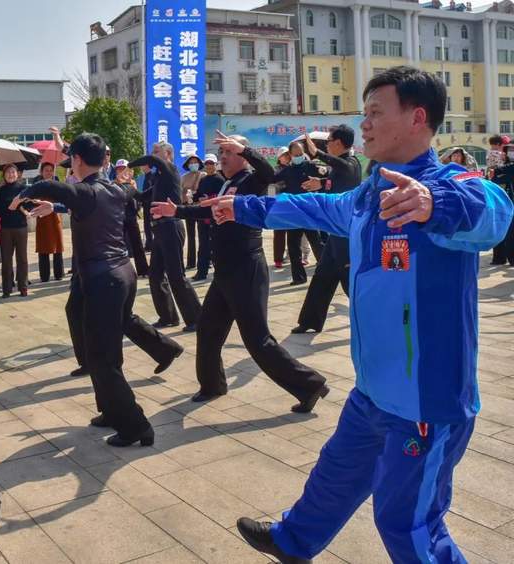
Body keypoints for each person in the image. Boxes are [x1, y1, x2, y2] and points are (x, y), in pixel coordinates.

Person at [203, 67, 514, 564]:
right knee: (336, 473)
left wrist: (434, 203)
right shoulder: (368, 195)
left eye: (374, 112)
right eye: (363, 113)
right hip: (373, 390)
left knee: (407, 520)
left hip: (425, 402)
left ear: (417, 118)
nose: (363, 124)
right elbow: (317, 207)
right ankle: (293, 541)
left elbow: (494, 211)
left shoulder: (447, 184)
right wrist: (245, 209)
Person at [12, 133, 183, 446]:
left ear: (77, 160)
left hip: (103, 280)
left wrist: (25, 192)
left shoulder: (86, 191)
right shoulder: (115, 188)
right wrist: (52, 204)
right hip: (122, 274)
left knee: (101, 358)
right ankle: (111, 408)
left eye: (71, 159)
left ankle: (135, 426)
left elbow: (57, 188)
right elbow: (74, 197)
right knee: (107, 347)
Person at [151, 132, 328, 412]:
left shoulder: (251, 180)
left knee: (258, 341)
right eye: (221, 153)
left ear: (242, 156)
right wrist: (177, 211)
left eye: (228, 153)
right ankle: (212, 385)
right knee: (208, 330)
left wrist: (245, 151)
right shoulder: (228, 183)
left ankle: (310, 385)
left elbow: (268, 173)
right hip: (225, 271)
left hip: (246, 270)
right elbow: (211, 212)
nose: (222, 158)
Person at [291, 125, 362, 334]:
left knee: (349, 281)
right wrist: (320, 183)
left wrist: (317, 153)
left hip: (346, 234)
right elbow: (335, 182)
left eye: (329, 141)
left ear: (338, 143)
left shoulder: (352, 163)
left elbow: (344, 169)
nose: (326, 144)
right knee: (323, 276)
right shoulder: (338, 167)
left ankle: (372, 317)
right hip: (335, 231)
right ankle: (310, 321)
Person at [129, 143, 202, 332]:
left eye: (156, 151)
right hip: (160, 230)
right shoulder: (160, 178)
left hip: (171, 227)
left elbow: (151, 160)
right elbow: (142, 196)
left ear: (168, 153)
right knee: (155, 276)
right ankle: (168, 317)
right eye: (153, 151)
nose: (152, 155)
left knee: (176, 276)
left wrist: (129, 165)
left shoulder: (170, 169)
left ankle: (197, 319)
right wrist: (126, 186)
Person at [273, 141, 326, 285]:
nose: (298, 156)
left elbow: (326, 177)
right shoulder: (287, 171)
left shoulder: (311, 166)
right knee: (293, 246)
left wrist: (323, 174)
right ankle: (299, 277)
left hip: (309, 210)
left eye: (300, 154)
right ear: (290, 155)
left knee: (316, 242)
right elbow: (273, 181)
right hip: (293, 212)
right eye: (295, 154)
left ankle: (327, 272)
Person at [0, 163, 29, 297]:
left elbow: (29, 205)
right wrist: (12, 206)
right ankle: (7, 288)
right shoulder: (0, 191)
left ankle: (23, 287)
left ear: (17, 174)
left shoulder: (23, 189)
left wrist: (22, 208)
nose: (11, 174)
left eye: (13, 172)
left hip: (21, 227)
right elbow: (0, 210)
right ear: (4, 175)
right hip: (5, 229)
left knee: (22, 258)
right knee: (6, 259)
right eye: (8, 172)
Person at [191, 154, 224, 281]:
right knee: (203, 245)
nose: (209, 166)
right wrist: (193, 197)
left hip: (215, 217)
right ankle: (201, 272)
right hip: (203, 216)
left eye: (211, 163)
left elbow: (222, 197)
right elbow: (198, 194)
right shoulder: (203, 180)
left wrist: (209, 199)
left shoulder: (220, 180)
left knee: (216, 246)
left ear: (216, 165)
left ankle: (220, 273)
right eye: (207, 164)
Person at [114, 159, 149, 276]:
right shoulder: (113, 184)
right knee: (119, 246)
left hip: (132, 218)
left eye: (124, 169)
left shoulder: (133, 183)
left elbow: (139, 199)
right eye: (119, 169)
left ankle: (143, 270)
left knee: (137, 244)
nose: (122, 172)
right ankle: (119, 270)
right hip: (119, 219)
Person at [35, 162, 64, 282]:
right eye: (46, 170)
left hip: (55, 217)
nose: (49, 172)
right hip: (42, 218)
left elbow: (63, 200)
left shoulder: (57, 184)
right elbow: (33, 200)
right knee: (43, 248)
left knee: (58, 247)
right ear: (41, 172)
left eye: (51, 170)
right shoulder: (37, 185)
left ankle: (59, 274)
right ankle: (44, 276)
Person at [181, 154, 205, 269]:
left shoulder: (203, 175)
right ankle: (191, 262)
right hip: (189, 208)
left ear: (199, 164)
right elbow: (181, 192)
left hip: (201, 207)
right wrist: (184, 199)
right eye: (191, 163)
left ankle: (205, 260)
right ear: (187, 165)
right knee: (190, 236)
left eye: (195, 162)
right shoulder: (184, 177)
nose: (193, 164)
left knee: (203, 235)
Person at [491, 147, 514, 265]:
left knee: (510, 232)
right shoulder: (506, 166)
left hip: (509, 202)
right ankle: (503, 258)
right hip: (505, 202)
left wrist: (495, 173)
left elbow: (499, 177)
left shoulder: (509, 168)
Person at [273, 147, 291, 269]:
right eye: (284, 155)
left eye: (288, 155)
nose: (287, 157)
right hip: (278, 204)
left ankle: (293, 257)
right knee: (279, 233)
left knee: (293, 233)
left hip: (291, 204)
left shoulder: (293, 168)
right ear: (279, 158)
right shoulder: (275, 171)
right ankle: (278, 259)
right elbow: (271, 186)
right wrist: (271, 201)